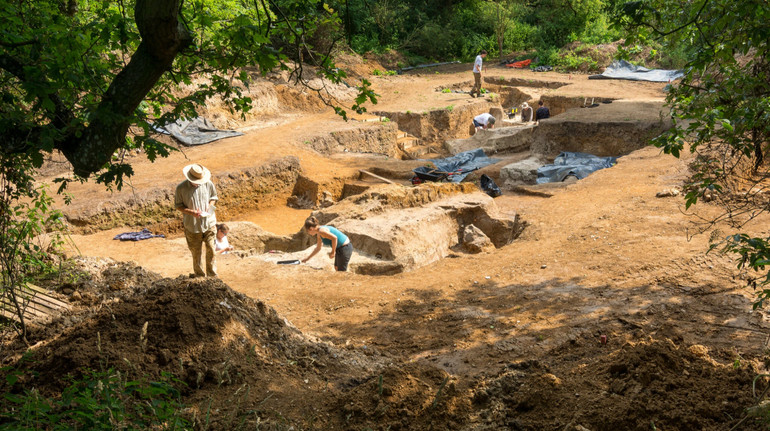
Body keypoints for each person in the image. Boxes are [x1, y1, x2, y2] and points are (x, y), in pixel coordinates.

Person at [175, 164, 219, 277]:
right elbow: (178, 206)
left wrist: (210, 206)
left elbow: (214, 197)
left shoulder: (208, 183)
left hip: (209, 223)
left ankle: (212, 276)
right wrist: (191, 212)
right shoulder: (181, 188)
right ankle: (200, 276)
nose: (198, 183)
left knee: (212, 249)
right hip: (192, 226)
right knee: (196, 253)